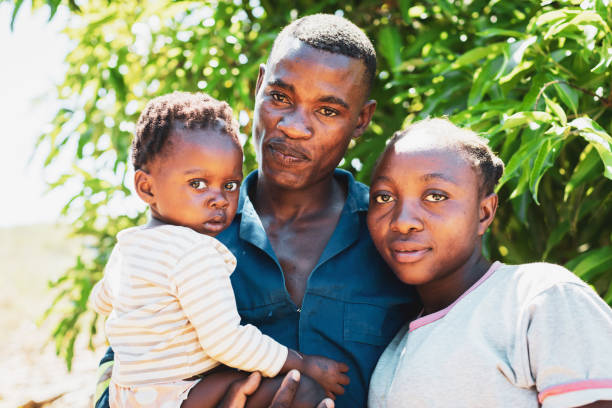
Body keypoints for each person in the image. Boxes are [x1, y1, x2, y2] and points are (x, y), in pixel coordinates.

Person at [94, 14, 418, 408]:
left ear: (361, 120)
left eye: (327, 111)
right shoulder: (182, 235)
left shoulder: (394, 232)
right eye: (280, 98)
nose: (295, 127)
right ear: (258, 87)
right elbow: (120, 379)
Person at [90, 91, 350, 408]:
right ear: (146, 187)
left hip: (126, 394)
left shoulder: (129, 247)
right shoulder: (193, 252)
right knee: (303, 390)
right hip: (173, 394)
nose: (219, 199)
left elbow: (102, 300)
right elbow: (225, 341)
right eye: (198, 183)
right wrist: (301, 362)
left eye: (229, 185)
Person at [366, 118, 612, 407]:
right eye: (384, 197)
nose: (403, 222)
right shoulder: (392, 354)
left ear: (484, 213)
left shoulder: (538, 298)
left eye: (435, 196)